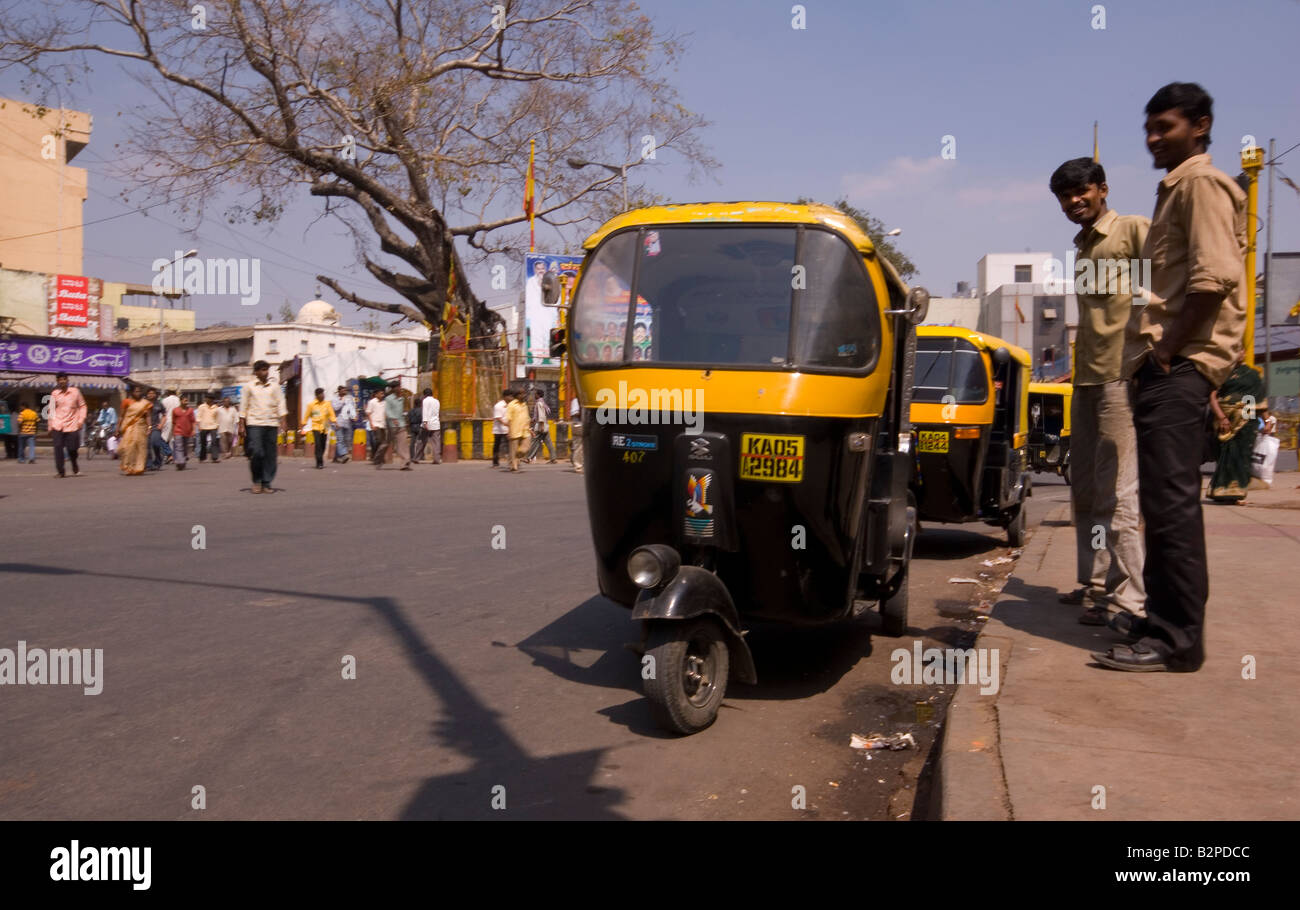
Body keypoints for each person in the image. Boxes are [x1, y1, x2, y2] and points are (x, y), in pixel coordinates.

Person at [1094, 83, 1247, 673]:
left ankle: (1178, 640)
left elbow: (1211, 283)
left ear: (1201, 126)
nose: (1154, 139)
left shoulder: (1203, 186)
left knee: (1173, 505)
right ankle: (1160, 618)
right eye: (1150, 129)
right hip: (1175, 368)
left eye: (1167, 127)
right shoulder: (1176, 189)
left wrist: (1169, 356)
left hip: (1177, 366)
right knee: (1163, 503)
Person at [1048, 158, 1148, 632]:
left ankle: (1130, 603)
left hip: (1119, 380)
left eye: (1080, 193)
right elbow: (1094, 320)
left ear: (1102, 189)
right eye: (1065, 198)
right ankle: (1093, 585)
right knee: (1085, 490)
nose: (1073, 203)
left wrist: (1153, 352)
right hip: (1086, 380)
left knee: (1118, 495)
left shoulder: (1131, 232)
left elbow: (1162, 288)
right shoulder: (1083, 247)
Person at [1207, 360, 1265, 503]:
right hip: (1225, 414)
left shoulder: (1252, 374)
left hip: (1247, 407)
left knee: (1243, 451)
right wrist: (1221, 417)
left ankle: (1238, 493)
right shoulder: (1222, 372)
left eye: (1240, 349)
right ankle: (1220, 491)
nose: (1238, 352)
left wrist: (1268, 420)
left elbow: (1258, 398)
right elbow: (1212, 396)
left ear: (1244, 353)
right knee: (1226, 452)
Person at [240, 360, 288, 494]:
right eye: (261, 370)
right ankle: (256, 481)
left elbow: (281, 403)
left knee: (270, 455)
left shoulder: (275, 387)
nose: (265, 372)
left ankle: (267, 482)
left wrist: (283, 420)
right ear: (256, 372)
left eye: (266, 369)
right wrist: (241, 424)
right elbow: (243, 405)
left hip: (271, 423)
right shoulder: (249, 387)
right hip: (254, 423)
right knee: (256, 452)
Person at [48, 372, 87, 478]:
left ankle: (74, 464)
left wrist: (81, 420)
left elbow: (83, 406)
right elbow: (51, 410)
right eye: (60, 380)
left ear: (67, 380)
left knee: (72, 449)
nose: (62, 381)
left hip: (72, 425)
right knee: (58, 447)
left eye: (64, 379)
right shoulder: (54, 394)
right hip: (58, 424)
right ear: (57, 382)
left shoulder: (75, 392)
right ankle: (61, 471)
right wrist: (50, 425)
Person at [116, 386, 153, 476]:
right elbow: (121, 416)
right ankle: (129, 467)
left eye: (140, 391)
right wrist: (117, 428)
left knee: (140, 448)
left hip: (141, 426)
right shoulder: (126, 402)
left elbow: (148, 416)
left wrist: (149, 427)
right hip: (129, 427)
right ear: (132, 392)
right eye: (136, 391)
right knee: (128, 447)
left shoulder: (145, 403)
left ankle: (139, 468)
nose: (138, 393)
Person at [375, 382, 412, 470]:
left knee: (403, 444)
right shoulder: (388, 399)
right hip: (391, 425)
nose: (399, 388)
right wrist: (393, 418)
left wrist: (405, 419)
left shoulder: (402, 398)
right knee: (387, 443)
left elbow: (405, 410)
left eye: (399, 387)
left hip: (401, 424)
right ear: (393, 389)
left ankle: (405, 463)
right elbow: (387, 411)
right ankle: (378, 458)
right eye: (397, 387)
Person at [302, 387, 337, 470]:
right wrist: (303, 424)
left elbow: (331, 414)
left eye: (323, 394)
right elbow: (307, 415)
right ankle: (319, 462)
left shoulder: (327, 404)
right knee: (318, 445)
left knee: (323, 445)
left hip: (325, 426)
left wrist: (335, 421)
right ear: (317, 395)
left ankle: (320, 458)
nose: (323, 395)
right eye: (321, 394)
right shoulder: (311, 405)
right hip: (316, 427)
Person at [525, 390, 556, 464]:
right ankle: (553, 458)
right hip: (545, 425)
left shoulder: (539, 403)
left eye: (535, 394)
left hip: (540, 426)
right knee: (548, 442)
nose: (534, 396)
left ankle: (529, 458)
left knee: (534, 442)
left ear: (538, 395)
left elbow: (541, 415)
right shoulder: (543, 403)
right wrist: (532, 421)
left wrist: (541, 426)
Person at [506, 389, 530, 472]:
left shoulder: (524, 405)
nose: (524, 395)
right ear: (517, 395)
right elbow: (509, 419)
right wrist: (508, 431)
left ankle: (517, 457)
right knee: (513, 449)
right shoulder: (511, 405)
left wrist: (530, 428)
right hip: (514, 430)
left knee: (525, 447)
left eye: (524, 393)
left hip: (525, 430)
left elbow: (527, 418)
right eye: (522, 394)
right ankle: (514, 466)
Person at [171, 396, 197, 469]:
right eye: (185, 401)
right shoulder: (175, 410)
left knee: (185, 447)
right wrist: (173, 431)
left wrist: (194, 430)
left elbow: (193, 421)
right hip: (178, 431)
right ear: (180, 401)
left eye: (187, 401)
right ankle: (180, 462)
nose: (186, 402)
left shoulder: (190, 410)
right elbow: (173, 422)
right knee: (179, 447)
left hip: (187, 431)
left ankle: (183, 459)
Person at [331, 385, 355, 463]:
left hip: (347, 422)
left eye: (346, 390)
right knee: (340, 439)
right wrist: (342, 401)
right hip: (338, 422)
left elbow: (351, 408)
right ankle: (344, 455)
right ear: (339, 391)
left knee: (345, 440)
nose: (345, 391)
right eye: (343, 390)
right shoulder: (335, 399)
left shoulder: (350, 398)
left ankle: (336, 457)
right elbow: (335, 408)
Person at [195, 394, 221, 463]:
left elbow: (218, 417)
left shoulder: (216, 407)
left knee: (214, 442)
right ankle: (202, 458)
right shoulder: (201, 407)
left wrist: (218, 425)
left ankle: (215, 457)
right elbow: (198, 417)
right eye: (206, 398)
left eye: (209, 398)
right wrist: (199, 426)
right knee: (203, 443)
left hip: (213, 426)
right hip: (203, 426)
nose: (207, 400)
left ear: (212, 400)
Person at [147, 389, 167, 471]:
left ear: (156, 394)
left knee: (155, 443)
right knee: (147, 446)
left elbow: (164, 415)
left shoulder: (159, 404)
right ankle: (148, 464)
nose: (151, 395)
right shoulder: (144, 403)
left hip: (155, 427)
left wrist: (161, 424)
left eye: (153, 393)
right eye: (149, 393)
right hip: (145, 427)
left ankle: (158, 461)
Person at [420, 387, 442, 464]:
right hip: (436, 424)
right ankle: (437, 459)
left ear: (425, 395)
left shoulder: (425, 401)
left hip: (427, 424)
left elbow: (425, 412)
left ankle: (416, 457)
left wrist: (425, 422)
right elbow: (437, 412)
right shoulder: (437, 401)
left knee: (422, 441)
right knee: (436, 442)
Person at [365, 388, 387, 462]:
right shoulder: (372, 402)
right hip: (375, 423)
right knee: (378, 440)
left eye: (383, 393)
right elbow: (368, 413)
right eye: (381, 393)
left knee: (382, 441)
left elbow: (385, 413)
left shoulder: (384, 402)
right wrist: (371, 424)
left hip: (383, 424)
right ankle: (376, 456)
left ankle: (378, 457)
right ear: (376, 394)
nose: (382, 395)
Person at [160, 388, 181, 461]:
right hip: (177, 421)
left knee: (162, 439)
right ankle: (175, 456)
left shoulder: (164, 400)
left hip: (167, 421)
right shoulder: (179, 400)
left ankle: (169, 454)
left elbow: (162, 413)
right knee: (174, 439)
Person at [16, 400, 38, 464]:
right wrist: (36, 431)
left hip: (23, 432)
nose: (20, 408)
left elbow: (19, 423)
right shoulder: (34, 413)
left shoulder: (22, 413)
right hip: (32, 432)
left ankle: (21, 459)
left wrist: (19, 430)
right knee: (32, 446)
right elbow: (37, 422)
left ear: (23, 406)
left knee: (21, 447)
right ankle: (31, 458)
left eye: (21, 407)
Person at [568, 396, 584, 473]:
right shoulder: (576, 401)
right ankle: (578, 466)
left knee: (583, 447)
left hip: (583, 424)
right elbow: (574, 413)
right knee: (579, 446)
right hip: (578, 424)